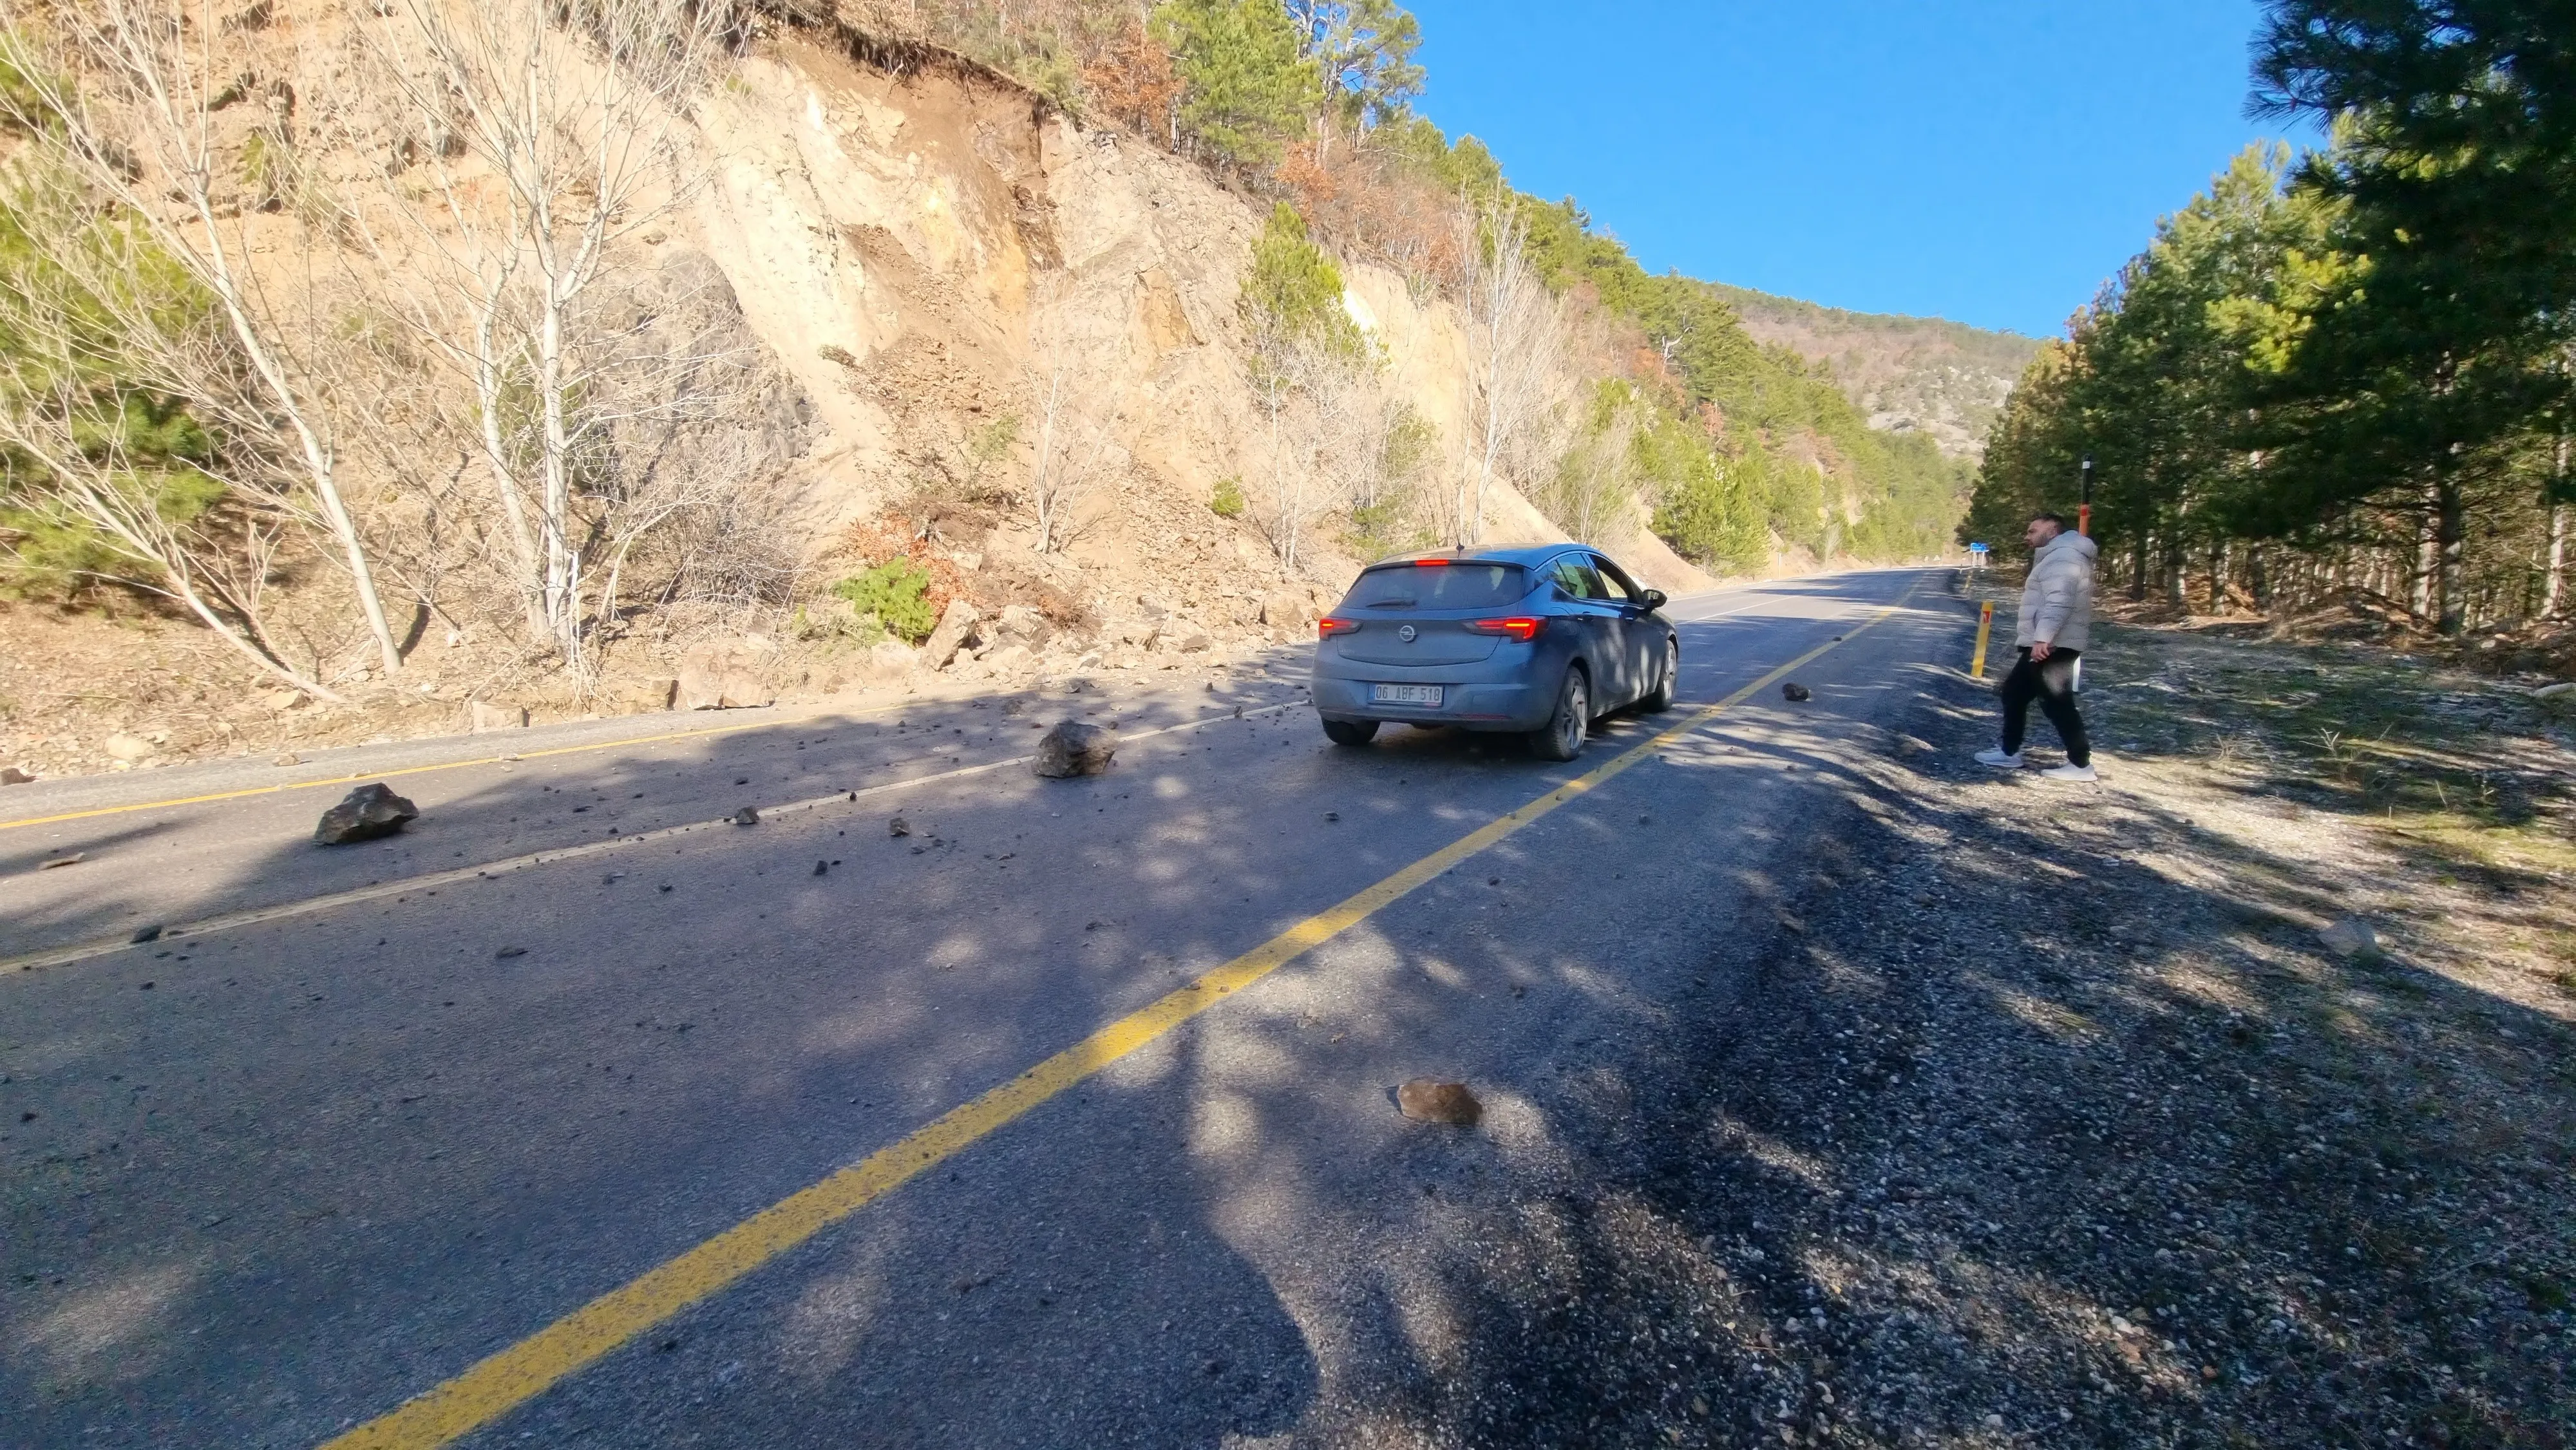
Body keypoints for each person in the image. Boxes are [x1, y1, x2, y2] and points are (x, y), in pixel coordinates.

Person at [1976, 512, 2096, 781]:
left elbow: (2059, 601)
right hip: (2045, 642)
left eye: (2032, 531)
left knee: (2057, 701)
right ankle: (2009, 753)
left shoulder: (2064, 557)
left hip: (2053, 644)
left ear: (2052, 529)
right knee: (2014, 693)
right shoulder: (2056, 555)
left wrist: (2043, 637)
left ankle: (2081, 765)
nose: (2027, 536)